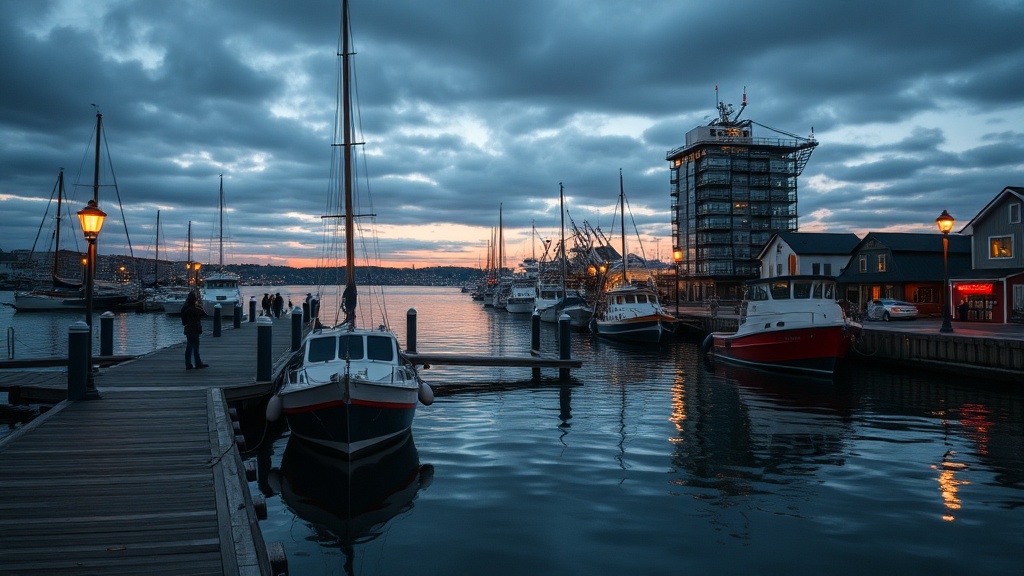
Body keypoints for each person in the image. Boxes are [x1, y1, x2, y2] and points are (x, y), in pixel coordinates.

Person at [181, 292, 209, 369]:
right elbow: (203, 314)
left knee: (189, 346)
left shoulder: (185, 308)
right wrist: (199, 306)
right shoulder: (192, 309)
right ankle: (197, 363)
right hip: (194, 329)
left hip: (188, 328)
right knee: (194, 346)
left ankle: (189, 363)